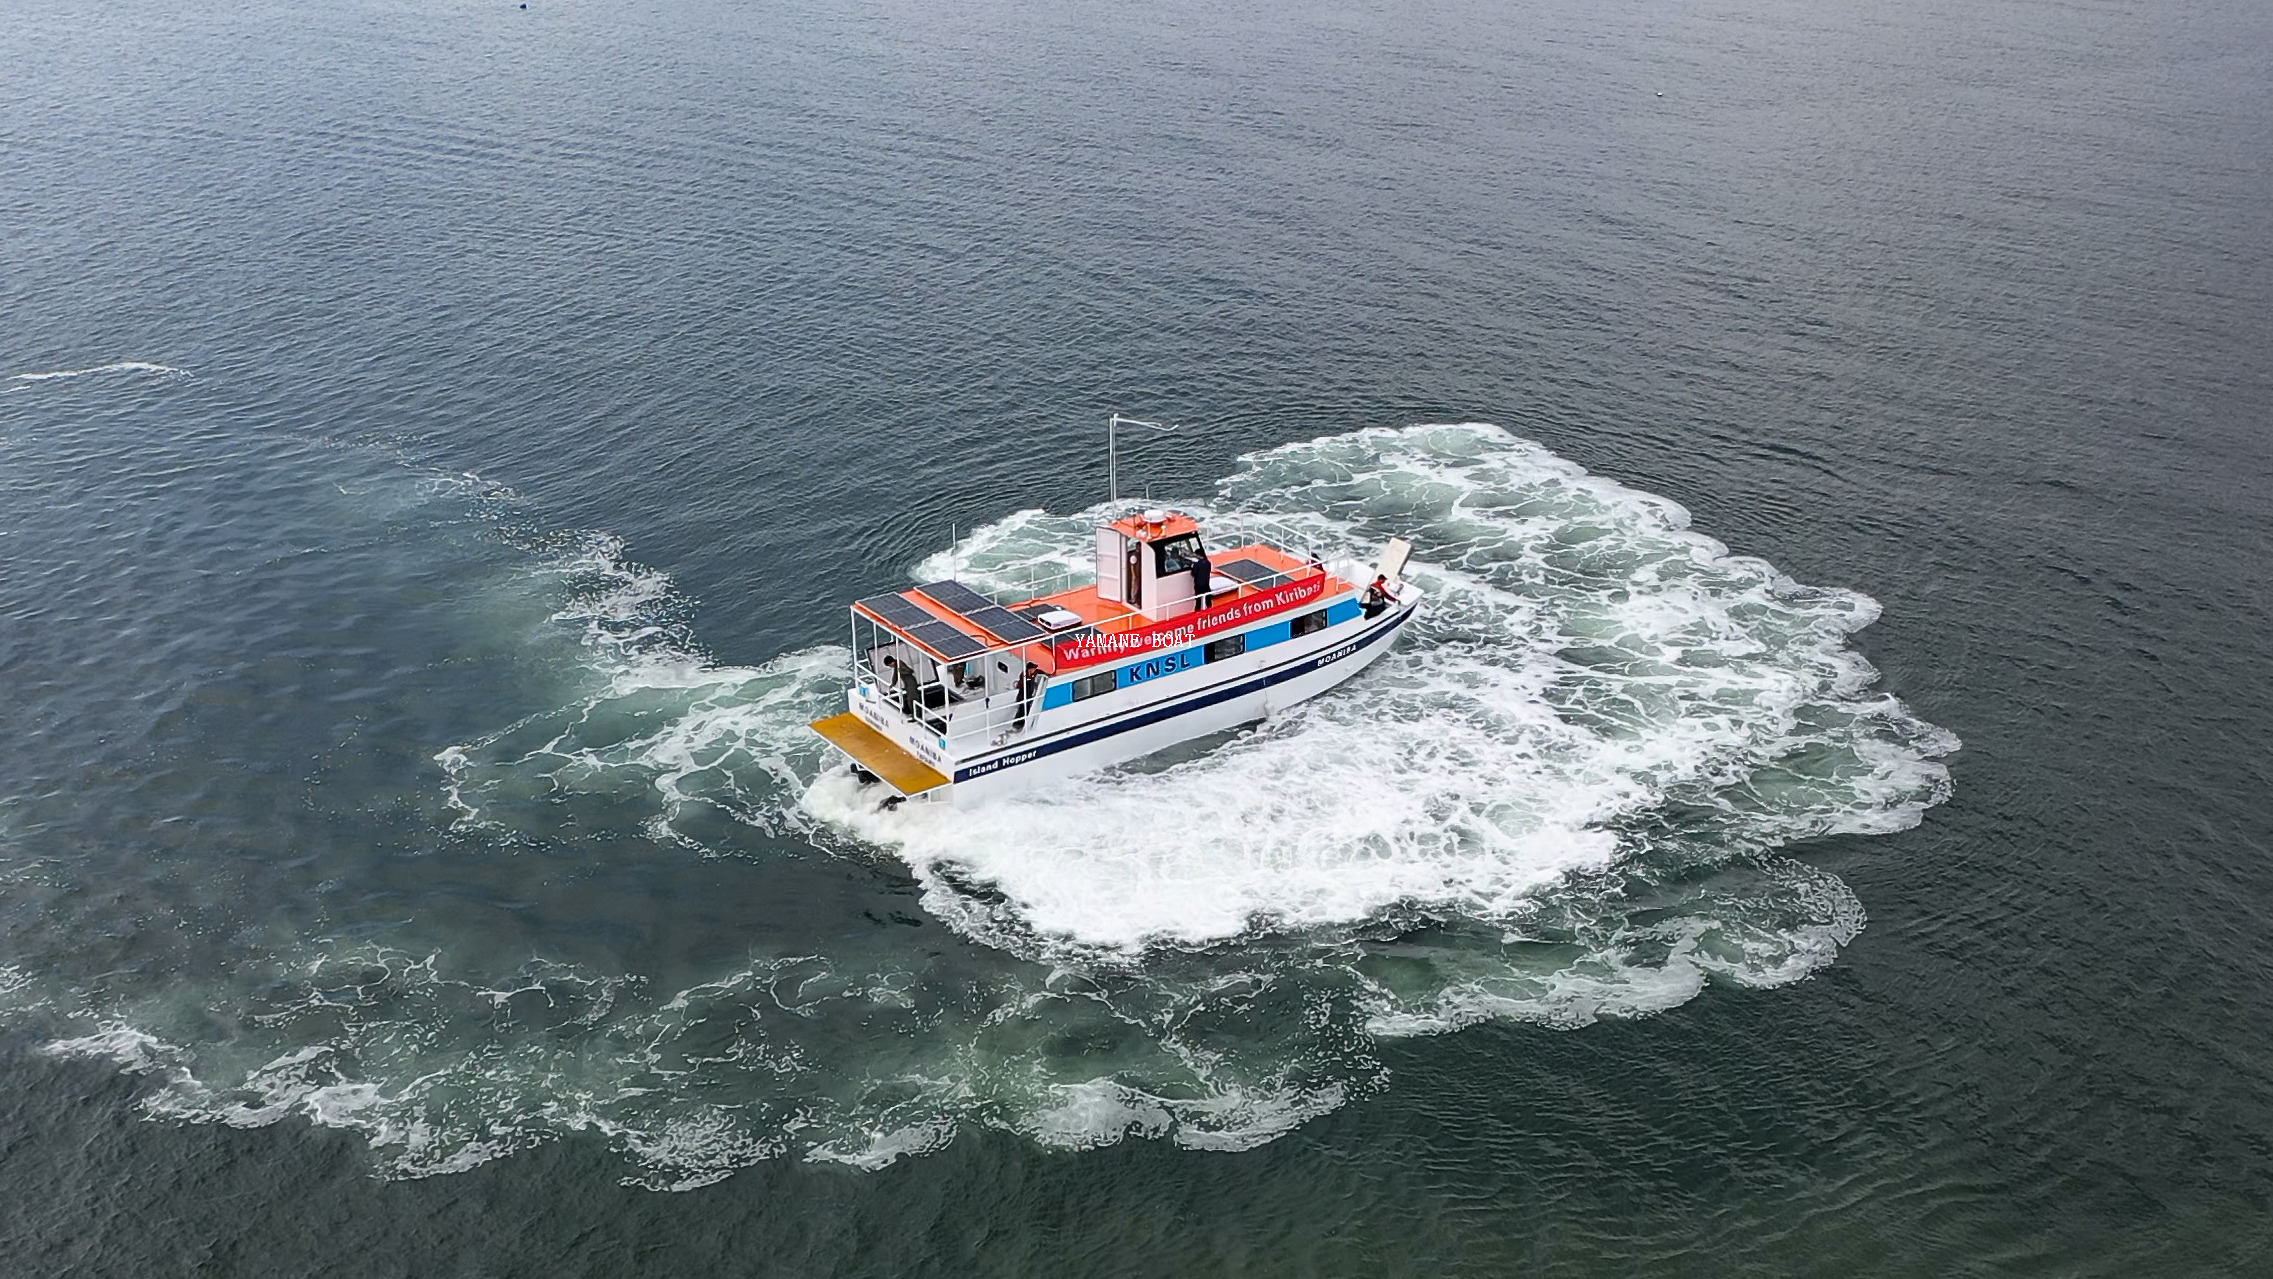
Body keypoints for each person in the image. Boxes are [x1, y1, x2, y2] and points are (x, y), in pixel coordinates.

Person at [1190, 545, 1213, 609]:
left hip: (1199, 585)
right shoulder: (1208, 563)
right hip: (1206, 584)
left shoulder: (1197, 564)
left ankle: (1197, 615)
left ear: (1198, 555)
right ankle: (1210, 612)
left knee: (1198, 602)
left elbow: (1193, 573)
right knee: (1208, 601)